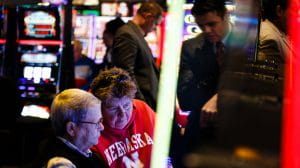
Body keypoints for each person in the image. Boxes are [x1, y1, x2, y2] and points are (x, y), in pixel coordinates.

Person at [177, 0, 231, 151]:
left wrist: (221, 95)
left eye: (212, 24)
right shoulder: (191, 48)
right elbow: (185, 100)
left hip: (237, 131)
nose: (207, 30)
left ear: (226, 16)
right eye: (201, 26)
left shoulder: (249, 43)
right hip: (202, 132)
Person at [90, 67, 155, 168]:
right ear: (98, 109)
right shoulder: (91, 132)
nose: (122, 114)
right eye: (113, 108)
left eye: (126, 106)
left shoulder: (143, 109)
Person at [29, 89, 107, 168]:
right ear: (71, 128)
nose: (102, 127)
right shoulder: (61, 163)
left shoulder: (84, 150)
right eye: (97, 122)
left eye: (101, 120)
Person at [112, 2, 164, 110]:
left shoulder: (135, 34)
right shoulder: (127, 34)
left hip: (147, 101)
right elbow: (125, 73)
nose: (154, 28)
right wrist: (141, 103)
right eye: (155, 24)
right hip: (141, 103)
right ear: (148, 16)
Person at [258, 0, 289, 64]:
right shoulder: (270, 39)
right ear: (279, 11)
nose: (298, 15)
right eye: (295, 10)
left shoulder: (281, 30)